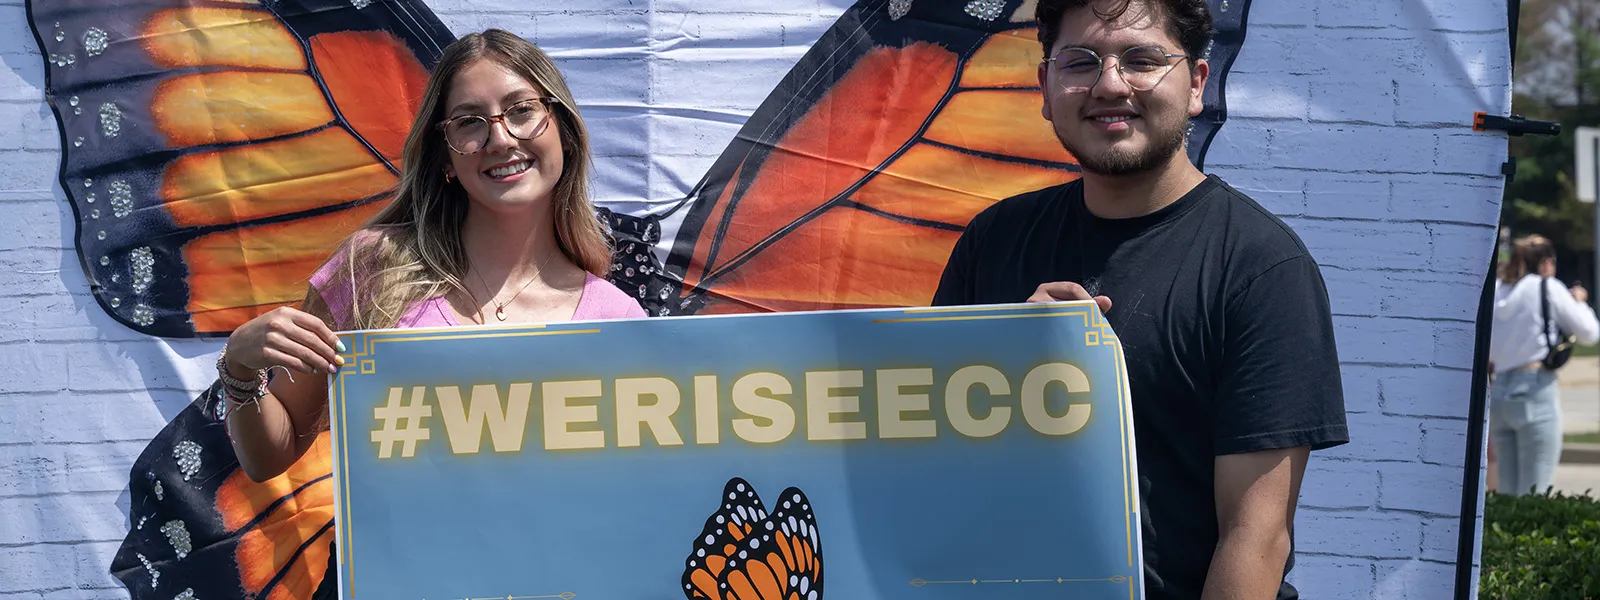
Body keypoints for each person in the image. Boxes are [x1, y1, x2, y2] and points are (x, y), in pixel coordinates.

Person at [929, 1, 1348, 598]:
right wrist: (1003, 361)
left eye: (1143, 59)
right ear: (1045, 88)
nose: (1109, 84)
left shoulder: (1261, 269)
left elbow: (1256, 536)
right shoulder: (991, 242)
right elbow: (927, 467)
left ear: (1196, 83)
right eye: (1079, 62)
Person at [212, 29, 647, 598]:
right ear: (445, 156)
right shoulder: (372, 270)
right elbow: (272, 455)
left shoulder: (622, 322)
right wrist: (241, 371)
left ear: (562, 129)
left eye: (522, 111)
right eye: (469, 122)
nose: (501, 138)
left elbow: (627, 508)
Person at [1488, 233, 1599, 496]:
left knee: (1506, 492)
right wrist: (1579, 302)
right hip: (1535, 388)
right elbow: (1589, 333)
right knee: (1536, 490)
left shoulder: (1496, 291)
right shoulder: (1546, 287)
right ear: (1547, 262)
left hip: (1500, 392)